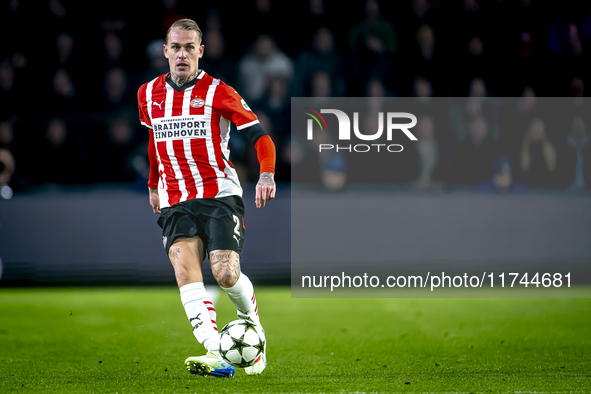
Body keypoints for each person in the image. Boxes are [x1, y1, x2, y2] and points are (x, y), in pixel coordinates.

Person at [137, 19, 276, 378]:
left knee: (225, 273)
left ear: (201, 51)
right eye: (175, 47)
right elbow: (155, 141)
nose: (182, 54)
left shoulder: (219, 91)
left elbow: (260, 135)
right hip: (174, 198)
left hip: (218, 195)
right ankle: (218, 353)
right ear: (165, 51)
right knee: (184, 266)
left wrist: (266, 172)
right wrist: (154, 185)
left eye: (189, 48)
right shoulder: (147, 94)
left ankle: (254, 328)